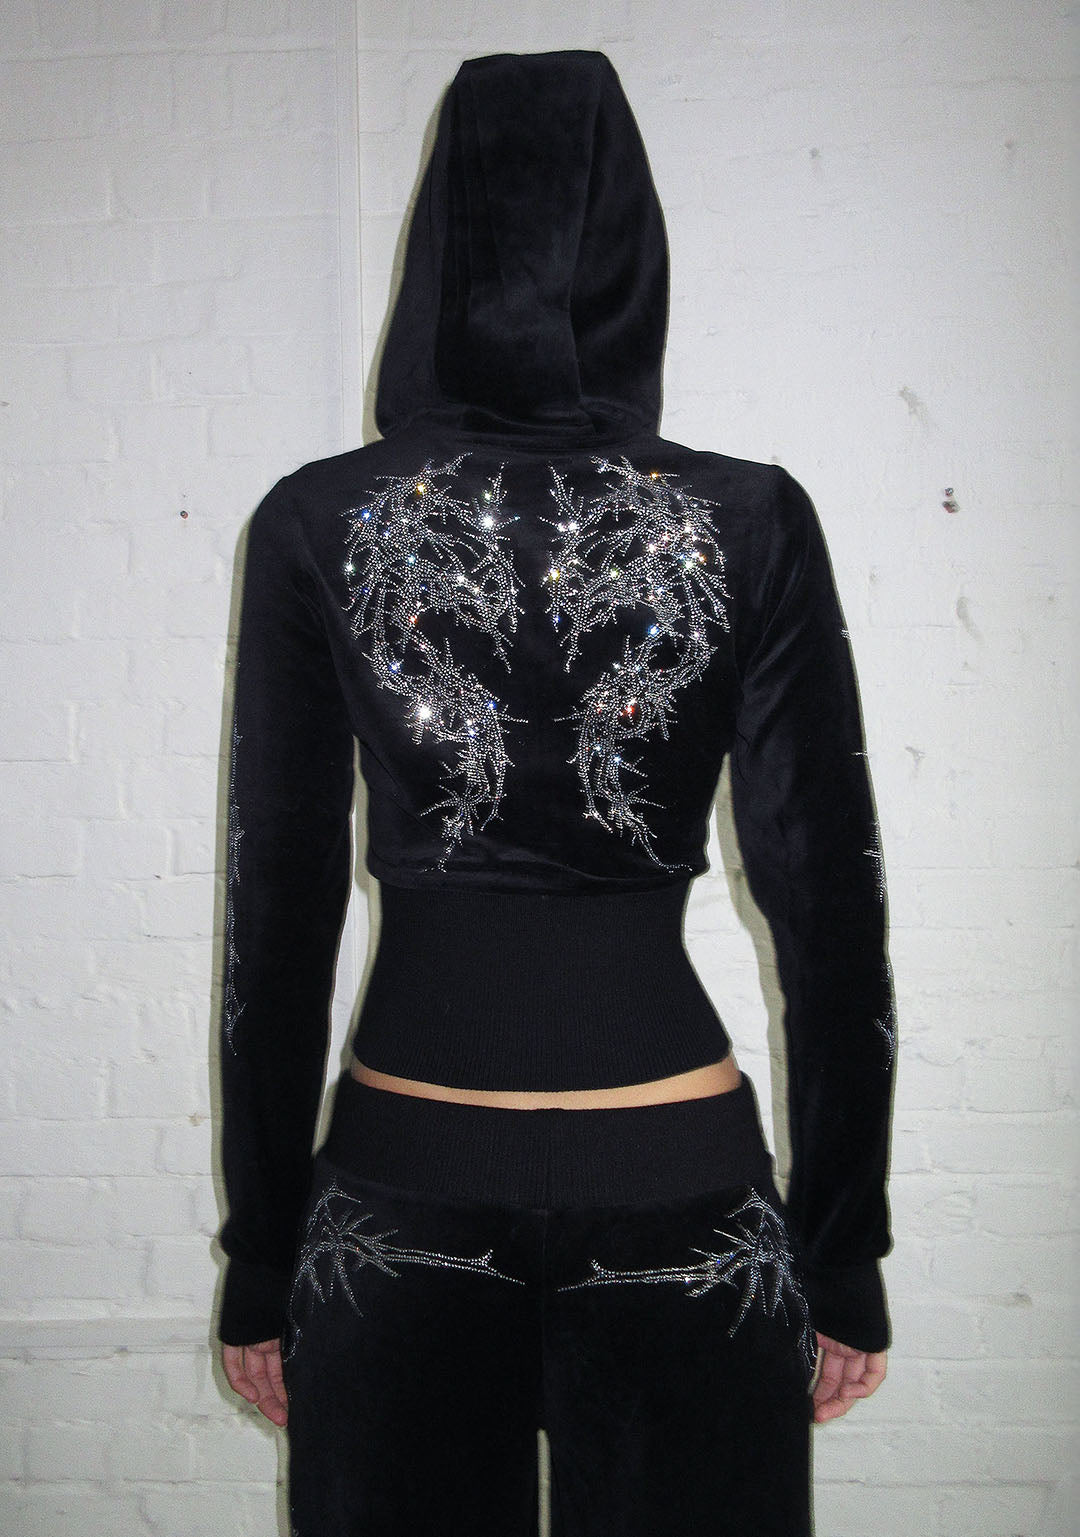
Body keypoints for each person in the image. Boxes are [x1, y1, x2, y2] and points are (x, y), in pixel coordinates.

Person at [215, 49, 895, 1536]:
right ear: (635, 250)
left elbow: (277, 920)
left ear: (439, 239)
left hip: (399, 1183)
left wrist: (262, 1250)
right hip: (677, 1180)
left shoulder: (318, 519)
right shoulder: (748, 518)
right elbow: (830, 912)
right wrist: (847, 1248)